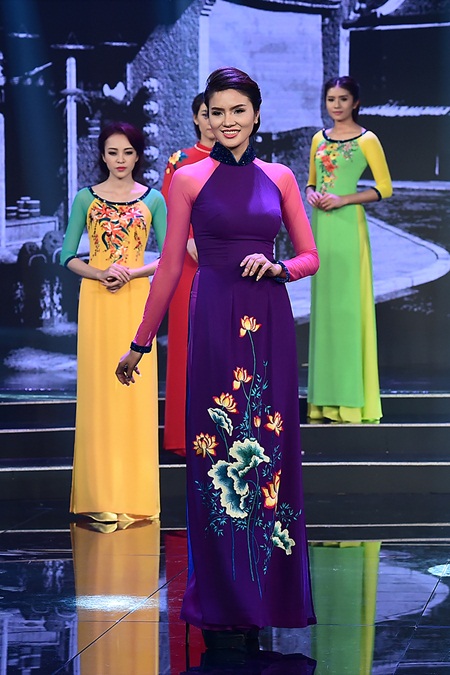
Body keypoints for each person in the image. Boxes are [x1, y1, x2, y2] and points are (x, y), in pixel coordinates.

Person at [116, 68, 318, 642]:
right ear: (206, 116)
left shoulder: (279, 177)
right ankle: (225, 593)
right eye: (217, 111)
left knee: (269, 452)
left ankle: (270, 590)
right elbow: (169, 268)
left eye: (238, 111)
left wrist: (278, 267)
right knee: (217, 450)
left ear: (256, 114)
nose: (227, 121)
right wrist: (140, 342)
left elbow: (309, 257)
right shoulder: (187, 179)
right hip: (211, 320)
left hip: (268, 321)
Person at [60, 121, 166, 522]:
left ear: (138, 155)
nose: (120, 160)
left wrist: (131, 273)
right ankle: (99, 496)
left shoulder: (154, 199)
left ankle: (136, 498)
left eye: (127, 152)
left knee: (135, 397)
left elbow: (170, 257)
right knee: (99, 394)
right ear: (102, 156)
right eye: (112, 152)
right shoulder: (84, 199)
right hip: (97, 300)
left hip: (137, 301)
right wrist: (99, 272)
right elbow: (67, 256)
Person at [305, 76, 392, 424]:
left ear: (355, 102)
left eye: (343, 99)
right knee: (324, 310)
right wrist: (311, 193)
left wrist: (344, 199)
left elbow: (384, 188)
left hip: (348, 226)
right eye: (331, 99)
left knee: (348, 308)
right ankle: (324, 403)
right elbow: (311, 181)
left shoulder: (367, 139)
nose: (336, 105)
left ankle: (353, 402)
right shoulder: (318, 139)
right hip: (321, 227)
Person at [161, 93, 215, 456]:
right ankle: (183, 436)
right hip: (188, 261)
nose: (212, 121)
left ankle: (221, 434)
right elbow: (169, 210)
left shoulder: (235, 161)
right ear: (196, 118)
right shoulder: (180, 160)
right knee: (185, 344)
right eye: (206, 114)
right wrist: (190, 239)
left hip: (224, 263)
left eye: (218, 113)